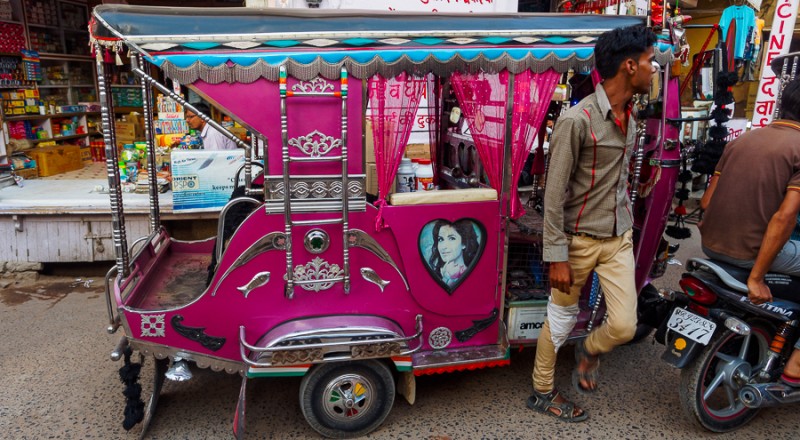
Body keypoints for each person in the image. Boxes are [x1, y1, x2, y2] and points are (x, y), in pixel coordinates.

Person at [529, 24, 657, 421]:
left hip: (617, 238)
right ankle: (542, 390)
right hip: (577, 241)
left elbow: (615, 182)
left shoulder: (631, 120)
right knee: (560, 319)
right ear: (630, 66)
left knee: (623, 325)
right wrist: (557, 255)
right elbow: (553, 195)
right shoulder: (577, 119)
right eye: (651, 62)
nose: (654, 70)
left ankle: (589, 350)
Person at [699, 77, 800, 388]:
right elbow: (783, 219)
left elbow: (705, 201)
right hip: (749, 257)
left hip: (711, 247)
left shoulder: (741, 140)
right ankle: (795, 366)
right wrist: (756, 277)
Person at [428, 220, 480, 289]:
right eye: (440, 239)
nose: (443, 247)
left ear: (464, 243)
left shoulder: (473, 274)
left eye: (452, 238)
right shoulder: (438, 273)